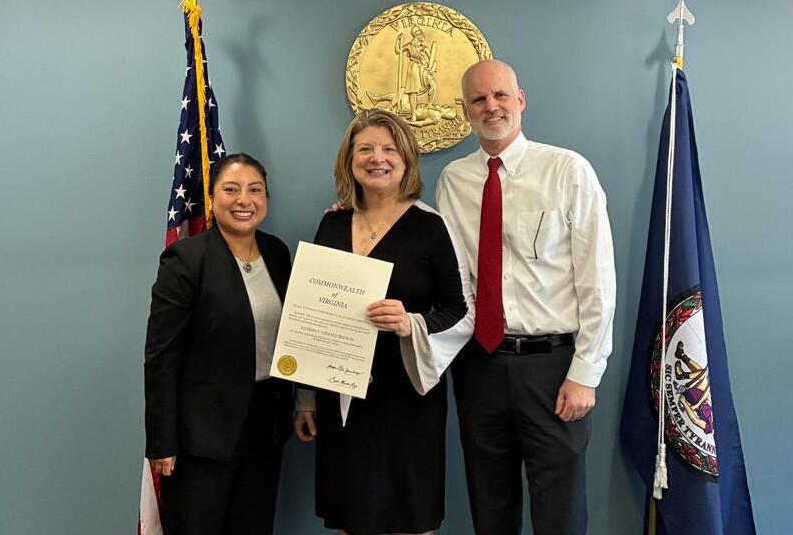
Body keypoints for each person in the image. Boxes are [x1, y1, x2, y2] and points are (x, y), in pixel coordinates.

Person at [435, 59, 616, 535]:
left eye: (499, 96)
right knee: (490, 508)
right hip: (479, 366)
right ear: (465, 110)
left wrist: (585, 372)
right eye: (478, 99)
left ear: (520, 100)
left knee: (559, 514)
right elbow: (452, 275)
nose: (490, 106)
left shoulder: (567, 170)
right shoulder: (454, 179)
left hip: (553, 369)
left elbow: (598, 281)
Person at [294, 109, 473, 535]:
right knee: (349, 515)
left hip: (408, 397)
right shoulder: (332, 221)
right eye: (366, 149)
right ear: (350, 160)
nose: (378, 158)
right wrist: (304, 397)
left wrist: (410, 321)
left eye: (390, 149)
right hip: (341, 394)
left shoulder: (432, 226)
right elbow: (310, 311)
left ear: (407, 159)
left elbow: (458, 309)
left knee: (408, 514)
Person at [144, 153, 293, 535]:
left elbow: (296, 332)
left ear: (266, 199)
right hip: (201, 438)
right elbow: (161, 356)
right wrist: (161, 441)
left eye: (255, 190)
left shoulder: (278, 253)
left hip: (265, 429)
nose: (244, 200)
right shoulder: (186, 259)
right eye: (231, 189)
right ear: (211, 199)